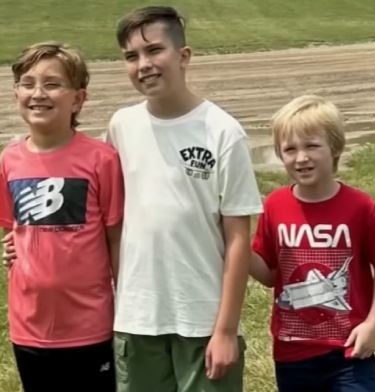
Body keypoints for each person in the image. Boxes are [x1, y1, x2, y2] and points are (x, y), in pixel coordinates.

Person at [106, 6, 263, 392]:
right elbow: (108, 220)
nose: (143, 64)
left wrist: (225, 330)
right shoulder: (121, 126)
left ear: (184, 56)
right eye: (131, 56)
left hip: (203, 319)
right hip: (138, 318)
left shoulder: (222, 131)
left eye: (154, 50)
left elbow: (238, 238)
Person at [0, 41, 124, 392]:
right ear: (16, 92)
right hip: (29, 326)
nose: (38, 93)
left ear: (78, 99)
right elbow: (12, 231)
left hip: (89, 326)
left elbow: (115, 238)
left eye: (53, 84)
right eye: (28, 83)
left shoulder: (101, 159)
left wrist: (125, 308)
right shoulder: (9, 160)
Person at [249, 95, 375, 392]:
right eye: (290, 149)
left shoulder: (360, 207)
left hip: (350, 351)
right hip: (292, 354)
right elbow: (272, 275)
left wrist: (372, 325)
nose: (301, 157)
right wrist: (234, 247)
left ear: (335, 147)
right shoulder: (274, 205)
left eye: (312, 145)